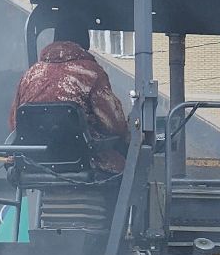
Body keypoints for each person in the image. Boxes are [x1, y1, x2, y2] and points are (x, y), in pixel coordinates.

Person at [9, 22, 131, 172]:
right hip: (86, 162)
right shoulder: (91, 73)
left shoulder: (30, 75)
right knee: (129, 168)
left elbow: (15, 123)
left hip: (37, 163)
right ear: (85, 42)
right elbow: (114, 124)